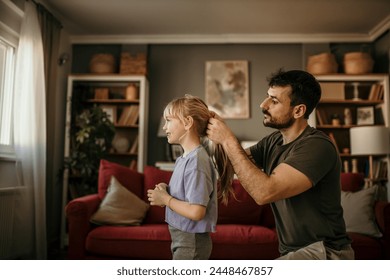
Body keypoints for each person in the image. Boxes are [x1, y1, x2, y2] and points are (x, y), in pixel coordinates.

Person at [206, 69, 354, 260]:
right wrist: (212, 129)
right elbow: (230, 164)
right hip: (295, 253)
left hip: (326, 253)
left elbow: (264, 192)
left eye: (274, 101)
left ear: (298, 110)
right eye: (267, 97)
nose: (263, 105)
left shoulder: (317, 146)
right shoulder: (274, 141)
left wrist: (227, 139)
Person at [147, 94, 234, 260]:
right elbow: (187, 197)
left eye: (169, 121)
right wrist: (167, 191)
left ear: (187, 122)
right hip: (183, 240)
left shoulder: (196, 162)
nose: (165, 127)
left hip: (191, 243)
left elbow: (196, 211)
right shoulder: (184, 159)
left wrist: (166, 199)